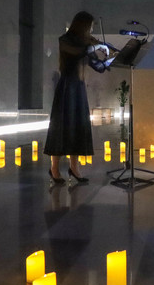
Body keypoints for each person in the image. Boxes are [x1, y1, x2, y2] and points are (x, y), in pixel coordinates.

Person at [44, 11, 109, 184]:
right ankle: (54, 168)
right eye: (90, 26)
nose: (92, 30)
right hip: (67, 88)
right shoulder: (65, 40)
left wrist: (109, 60)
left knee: (78, 127)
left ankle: (74, 168)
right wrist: (96, 47)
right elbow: (78, 52)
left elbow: (97, 66)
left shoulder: (86, 43)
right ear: (83, 25)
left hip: (79, 89)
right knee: (61, 126)